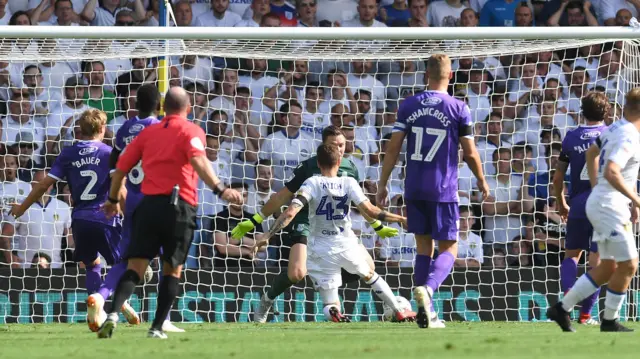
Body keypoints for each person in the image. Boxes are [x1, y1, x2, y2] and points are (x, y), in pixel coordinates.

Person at [98, 87, 242, 339]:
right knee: (171, 269)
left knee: (135, 267)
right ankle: (156, 328)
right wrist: (220, 190)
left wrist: (112, 199)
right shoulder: (191, 130)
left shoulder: (148, 132)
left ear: (164, 109)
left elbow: (120, 167)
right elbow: (197, 159)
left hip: (148, 206)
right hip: (179, 206)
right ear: (188, 109)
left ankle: (111, 315)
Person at [230, 125, 400, 323]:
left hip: (336, 230)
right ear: (324, 147)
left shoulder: (351, 168)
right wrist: (255, 220)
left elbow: (362, 205)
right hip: (304, 220)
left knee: (369, 266)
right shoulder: (309, 167)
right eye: (334, 145)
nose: (340, 149)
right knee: (297, 273)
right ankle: (266, 301)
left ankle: (325, 282)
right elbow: (281, 197)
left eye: (343, 145)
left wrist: (378, 226)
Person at [376, 53, 489, 329]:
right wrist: (482, 180)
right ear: (450, 75)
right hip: (443, 189)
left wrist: (382, 183)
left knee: (423, 248)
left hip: (414, 187)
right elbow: (471, 152)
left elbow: (393, 147)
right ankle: (428, 289)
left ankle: (427, 312)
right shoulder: (458, 107)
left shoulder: (409, 105)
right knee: (449, 247)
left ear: (426, 74)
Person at [9, 109, 139, 332]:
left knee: (92, 264)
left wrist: (22, 207)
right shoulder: (109, 153)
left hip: (78, 218)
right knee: (124, 263)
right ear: (101, 129)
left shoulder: (68, 154)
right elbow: (122, 190)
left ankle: (101, 309)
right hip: (106, 217)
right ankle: (103, 297)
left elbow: (42, 185)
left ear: (80, 129)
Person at [87, 83, 181, 333]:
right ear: (158, 105)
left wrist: (117, 194)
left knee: (128, 258)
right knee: (168, 257)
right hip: (156, 198)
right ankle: (165, 319)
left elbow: (115, 162)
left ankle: (102, 296)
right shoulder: (161, 127)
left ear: (135, 104)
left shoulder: (125, 128)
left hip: (131, 200)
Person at [547, 88, 640, 333]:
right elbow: (611, 171)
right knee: (627, 263)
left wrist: (591, 190)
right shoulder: (626, 134)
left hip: (588, 202)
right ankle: (598, 317)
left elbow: (589, 155)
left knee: (604, 265)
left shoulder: (612, 130)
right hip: (609, 204)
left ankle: (566, 307)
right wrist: (635, 199)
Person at [552, 91, 609, 325]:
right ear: (606, 112)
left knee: (572, 255)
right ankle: (585, 316)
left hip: (576, 205)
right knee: (598, 262)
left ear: (582, 112)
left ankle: (568, 297)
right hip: (602, 205)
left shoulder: (571, 137)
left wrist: (561, 202)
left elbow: (557, 178)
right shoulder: (611, 135)